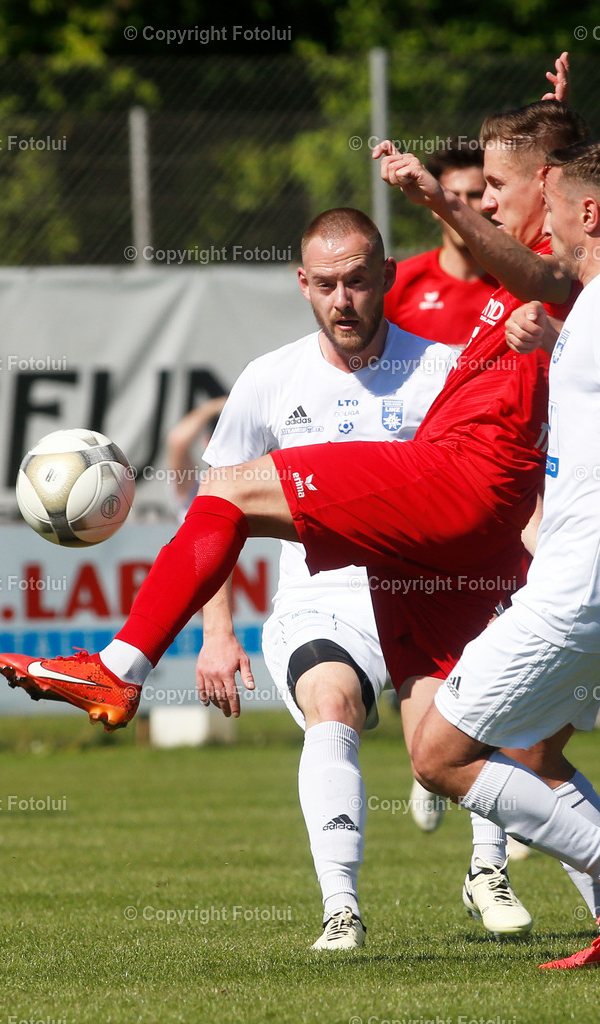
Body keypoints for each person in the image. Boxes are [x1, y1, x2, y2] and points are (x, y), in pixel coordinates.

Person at [0, 113, 600, 968]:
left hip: (460, 481)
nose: (480, 202)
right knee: (452, 752)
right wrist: (541, 137)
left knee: (227, 490)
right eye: (474, 190)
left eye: (496, 189)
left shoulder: (578, 284)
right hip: (468, 537)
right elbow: (563, 211)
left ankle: (118, 669)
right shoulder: (549, 286)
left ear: (563, 196)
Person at [192, 209, 531, 949]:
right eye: (324, 285)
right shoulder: (268, 380)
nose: (341, 299)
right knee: (331, 704)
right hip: (321, 604)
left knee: (462, 735)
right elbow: (214, 512)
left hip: (428, 598)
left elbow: (497, 488)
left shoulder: (442, 371)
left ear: (385, 278)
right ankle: (340, 908)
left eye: (355, 281)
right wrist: (216, 633)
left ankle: (486, 870)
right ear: (302, 285)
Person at [407, 136, 600, 970]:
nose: (545, 227)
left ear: (588, 214)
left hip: (584, 579)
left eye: (554, 203)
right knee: (536, 757)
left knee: (437, 753)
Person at [383, 139, 497, 347]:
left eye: (474, 195)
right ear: (435, 206)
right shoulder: (397, 284)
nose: (462, 205)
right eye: (451, 196)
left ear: (490, 202)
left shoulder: (516, 284)